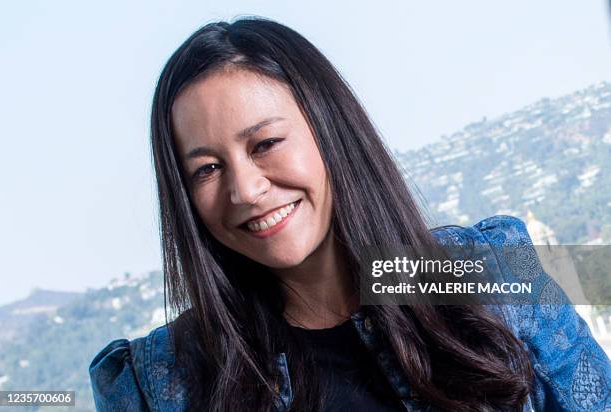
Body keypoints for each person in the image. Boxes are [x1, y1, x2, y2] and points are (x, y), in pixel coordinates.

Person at [89, 17, 610, 412]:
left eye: (266, 142)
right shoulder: (156, 382)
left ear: (331, 131)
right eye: (205, 169)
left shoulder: (492, 275)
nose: (245, 189)